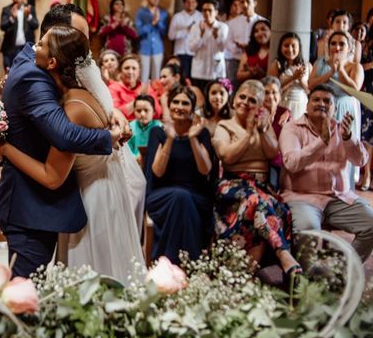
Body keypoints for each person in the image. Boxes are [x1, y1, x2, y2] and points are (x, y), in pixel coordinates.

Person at [0, 3, 134, 279]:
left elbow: (78, 112)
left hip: (61, 203)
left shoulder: (52, 78)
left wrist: (110, 112)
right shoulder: (36, 76)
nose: (82, 47)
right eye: (74, 35)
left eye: (84, 38)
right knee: (25, 295)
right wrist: (108, 137)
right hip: (31, 207)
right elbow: (64, 135)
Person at [212, 80, 301, 276]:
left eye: (252, 100)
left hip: (261, 186)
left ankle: (247, 274)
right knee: (256, 202)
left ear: (259, 106)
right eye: (242, 97)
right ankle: (283, 253)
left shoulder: (264, 125)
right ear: (234, 100)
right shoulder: (224, 126)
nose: (245, 102)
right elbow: (227, 155)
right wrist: (249, 132)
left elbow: (271, 153)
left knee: (267, 207)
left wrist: (260, 130)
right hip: (232, 185)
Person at [280, 85, 373, 263]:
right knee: (308, 231)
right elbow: (292, 163)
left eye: (327, 101)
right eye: (316, 100)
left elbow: (361, 160)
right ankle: (308, 282)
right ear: (307, 105)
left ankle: (343, 272)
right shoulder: (292, 128)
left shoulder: (341, 130)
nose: (321, 104)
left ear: (335, 109)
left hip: (339, 197)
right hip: (302, 197)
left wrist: (348, 138)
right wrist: (322, 141)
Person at [145, 86, 214, 263]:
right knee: (180, 198)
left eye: (185, 103)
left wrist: (192, 138)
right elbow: (157, 172)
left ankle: (166, 262)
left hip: (196, 196)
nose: (179, 106)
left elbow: (205, 170)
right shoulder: (157, 133)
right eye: (175, 101)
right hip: (162, 194)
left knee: (183, 199)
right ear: (169, 105)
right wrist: (170, 138)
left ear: (192, 108)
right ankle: (191, 263)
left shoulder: (201, 134)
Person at [309, 30, 364, 187]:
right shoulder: (320, 63)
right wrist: (331, 71)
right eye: (333, 43)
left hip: (346, 107)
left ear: (349, 47)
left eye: (342, 44)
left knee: (345, 147)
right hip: (324, 108)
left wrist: (340, 70)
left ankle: (344, 186)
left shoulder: (355, 66)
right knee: (323, 146)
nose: (337, 47)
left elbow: (354, 90)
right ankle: (320, 184)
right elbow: (311, 85)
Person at [224, 0, 267, 87]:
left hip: (254, 60)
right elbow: (228, 42)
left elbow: (266, 42)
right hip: (236, 59)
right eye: (242, 2)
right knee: (232, 87)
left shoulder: (263, 22)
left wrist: (250, 48)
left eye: (248, 1)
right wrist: (240, 48)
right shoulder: (233, 22)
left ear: (255, 3)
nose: (245, 5)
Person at [188, 0, 229, 91]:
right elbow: (191, 48)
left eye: (210, 10)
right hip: (199, 71)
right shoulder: (196, 27)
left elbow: (223, 49)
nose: (206, 13)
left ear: (216, 12)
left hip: (216, 71)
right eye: (204, 10)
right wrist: (200, 35)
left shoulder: (223, 27)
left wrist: (217, 37)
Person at [267, 32, 309, 120]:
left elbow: (310, 90)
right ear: (281, 47)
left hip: (301, 103)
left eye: (293, 46)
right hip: (284, 103)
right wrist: (293, 77)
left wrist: (301, 81)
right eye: (286, 45)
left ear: (299, 47)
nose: (290, 49)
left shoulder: (307, 65)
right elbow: (271, 87)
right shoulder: (276, 64)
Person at [109, 54, 162, 121]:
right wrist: (140, 97)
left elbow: (158, 113)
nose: (130, 72)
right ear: (120, 71)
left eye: (134, 68)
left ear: (139, 72)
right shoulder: (113, 88)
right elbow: (115, 113)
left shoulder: (145, 87)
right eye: (126, 68)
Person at [0, 0, 39, 70]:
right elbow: (2, 27)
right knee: (9, 75)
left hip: (26, 49)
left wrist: (29, 16)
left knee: (27, 73)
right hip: (10, 49)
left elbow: (36, 25)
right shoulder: (7, 9)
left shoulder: (29, 8)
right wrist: (12, 18)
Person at [135, 0, 168, 82]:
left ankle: (155, 96)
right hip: (144, 47)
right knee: (143, 76)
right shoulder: (141, 12)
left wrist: (158, 22)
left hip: (158, 48)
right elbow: (138, 32)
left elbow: (164, 32)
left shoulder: (163, 13)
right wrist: (152, 23)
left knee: (157, 76)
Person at [168, 0, 202, 79]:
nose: (191, 4)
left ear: (197, 3)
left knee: (194, 78)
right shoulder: (177, 17)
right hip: (181, 52)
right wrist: (185, 30)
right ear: (184, 3)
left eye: (193, 2)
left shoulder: (201, 17)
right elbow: (171, 36)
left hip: (196, 53)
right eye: (188, 2)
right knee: (182, 77)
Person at [359, 26, 373, 191]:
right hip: (369, 91)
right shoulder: (367, 46)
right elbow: (361, 67)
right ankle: (366, 175)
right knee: (368, 137)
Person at [128, 95, 162, 161]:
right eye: (138, 110)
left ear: (154, 112)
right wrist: (135, 158)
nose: (142, 114)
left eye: (146, 110)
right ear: (134, 111)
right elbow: (127, 151)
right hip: (133, 163)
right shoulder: (129, 127)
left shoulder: (160, 127)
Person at [237, 19, 270, 84]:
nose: (260, 33)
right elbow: (239, 76)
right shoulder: (248, 51)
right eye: (256, 31)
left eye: (263, 29)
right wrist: (251, 73)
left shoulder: (275, 51)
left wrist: (263, 73)